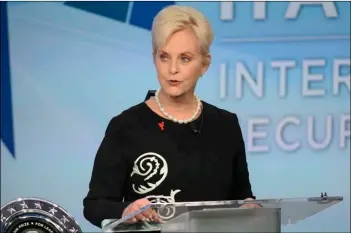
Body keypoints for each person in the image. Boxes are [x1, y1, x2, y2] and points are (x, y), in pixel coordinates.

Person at [83, 5, 257, 228]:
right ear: (154, 58)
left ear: (204, 64)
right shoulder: (126, 126)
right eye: (164, 57)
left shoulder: (226, 125)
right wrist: (125, 210)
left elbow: (242, 198)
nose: (172, 69)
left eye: (185, 58)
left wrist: (250, 208)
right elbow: (95, 205)